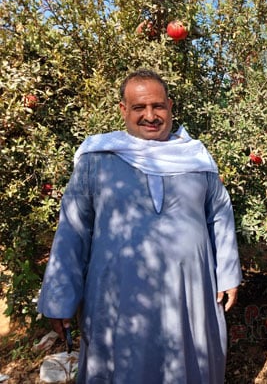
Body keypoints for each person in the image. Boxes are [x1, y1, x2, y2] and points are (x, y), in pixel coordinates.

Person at [37, 69, 242, 383]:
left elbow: (220, 214)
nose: (150, 115)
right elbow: (73, 229)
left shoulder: (195, 158)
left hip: (190, 295)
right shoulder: (97, 159)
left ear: (170, 106)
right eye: (139, 108)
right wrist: (60, 297)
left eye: (158, 106)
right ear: (123, 110)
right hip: (118, 297)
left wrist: (228, 273)